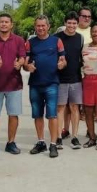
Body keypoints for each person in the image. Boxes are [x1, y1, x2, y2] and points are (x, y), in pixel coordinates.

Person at [0, 14, 27, 155]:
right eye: (1, 22)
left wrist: (19, 63)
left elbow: (22, 57)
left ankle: (11, 142)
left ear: (11, 24)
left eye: (6, 22)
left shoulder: (19, 40)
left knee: (13, 115)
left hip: (14, 84)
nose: (4, 24)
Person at [24, 15, 66, 158]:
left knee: (52, 115)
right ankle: (41, 142)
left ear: (48, 26)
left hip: (52, 84)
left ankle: (53, 144)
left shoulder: (56, 41)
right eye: (38, 26)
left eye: (43, 25)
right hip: (35, 84)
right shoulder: (30, 42)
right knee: (37, 115)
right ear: (35, 27)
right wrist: (27, 67)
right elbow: (25, 63)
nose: (40, 28)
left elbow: (63, 60)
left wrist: (62, 64)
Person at [55, 12, 84, 149]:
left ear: (77, 24)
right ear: (65, 23)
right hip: (60, 78)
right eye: (69, 23)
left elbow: (82, 57)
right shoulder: (57, 38)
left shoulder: (80, 38)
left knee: (74, 107)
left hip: (76, 79)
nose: (72, 25)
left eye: (74, 23)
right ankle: (58, 137)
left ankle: (75, 137)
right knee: (60, 108)